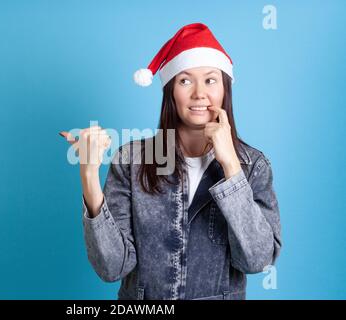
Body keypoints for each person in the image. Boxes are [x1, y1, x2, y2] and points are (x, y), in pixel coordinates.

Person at [60, 23, 281, 300]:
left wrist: (231, 169)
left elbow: (257, 261)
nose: (199, 93)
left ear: (225, 88)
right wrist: (89, 174)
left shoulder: (254, 165)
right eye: (185, 80)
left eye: (210, 80)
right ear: (170, 92)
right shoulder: (132, 161)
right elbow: (112, 268)